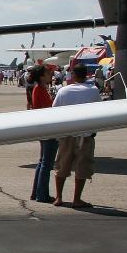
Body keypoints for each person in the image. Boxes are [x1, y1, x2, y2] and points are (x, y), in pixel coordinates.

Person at [52, 65, 103, 208]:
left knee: (62, 166)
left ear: (73, 75)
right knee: (82, 167)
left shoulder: (63, 91)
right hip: (85, 134)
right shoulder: (93, 91)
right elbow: (99, 110)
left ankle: (59, 197)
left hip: (67, 134)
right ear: (86, 75)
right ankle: (76, 199)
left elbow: (55, 110)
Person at [28, 65, 56, 203]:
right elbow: (47, 109)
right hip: (47, 128)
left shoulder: (39, 89)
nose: (50, 74)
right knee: (46, 163)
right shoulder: (40, 90)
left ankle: (37, 192)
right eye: (47, 73)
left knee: (42, 162)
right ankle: (42, 194)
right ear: (41, 76)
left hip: (42, 128)